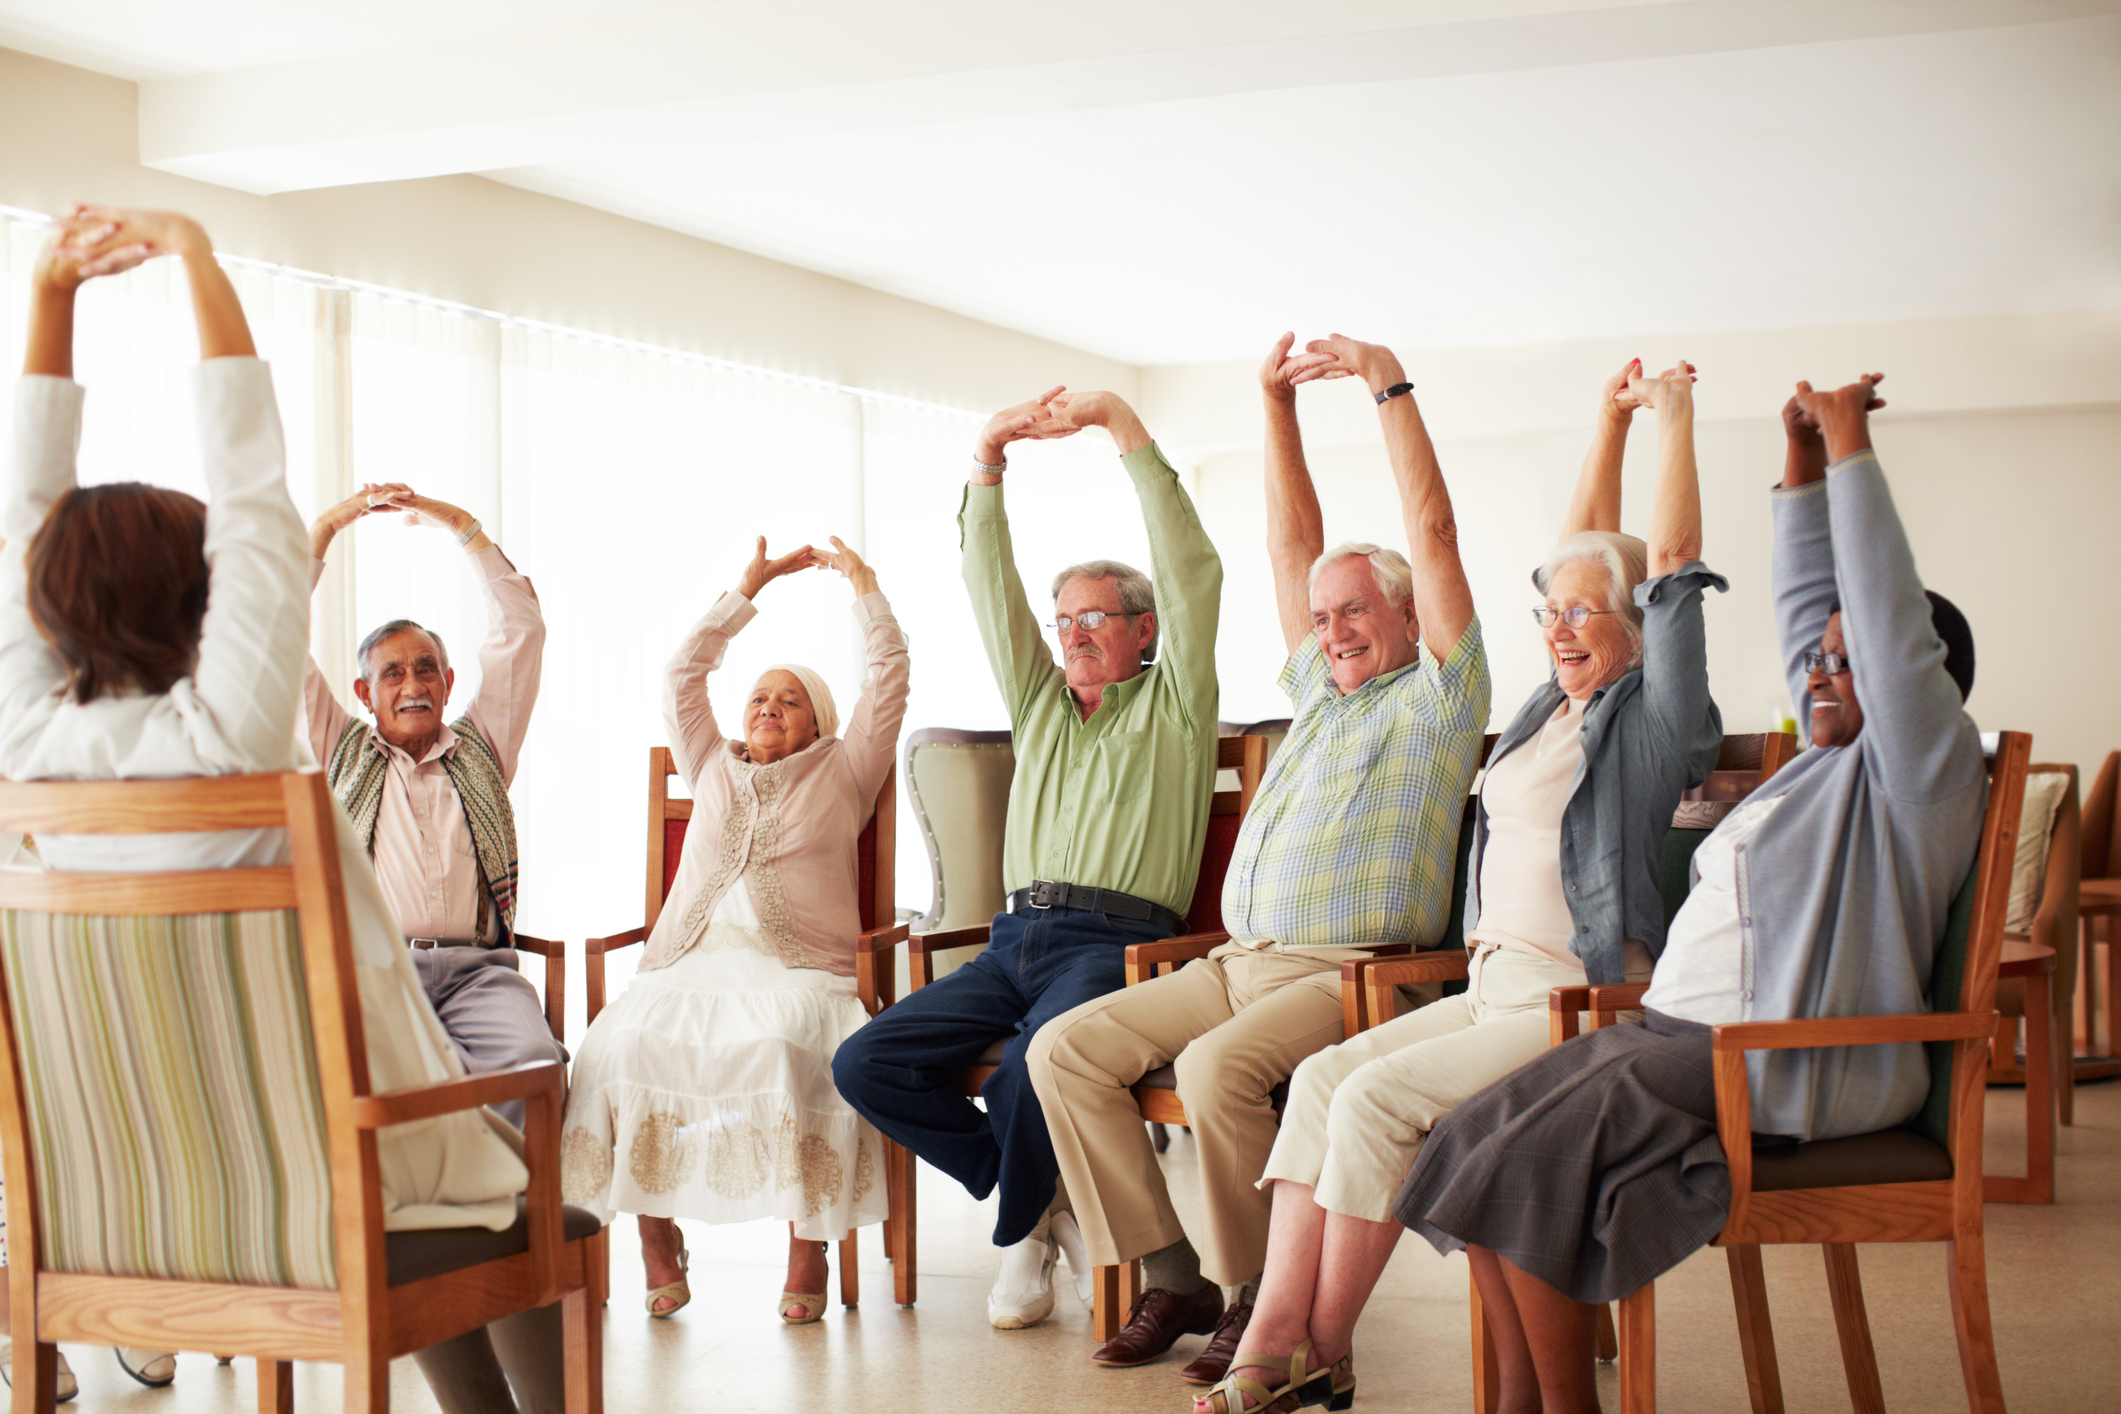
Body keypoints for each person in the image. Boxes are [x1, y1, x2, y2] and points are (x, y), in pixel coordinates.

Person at [0, 207, 539, 1413]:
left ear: (41, 606)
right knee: (515, 1181)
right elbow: (251, 487)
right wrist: (196, 259)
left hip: (112, 1200)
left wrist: (49, 292)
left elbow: (25, 512)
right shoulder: (231, 730)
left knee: (438, 1171)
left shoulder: (22, 744)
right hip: (317, 1185)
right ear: (208, 605)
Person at [1394, 374, 1984, 1414]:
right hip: (1678, 1034)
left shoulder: (1919, 775)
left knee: (1526, 1166)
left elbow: (1882, 618)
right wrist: (1798, 466)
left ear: (1916, 685)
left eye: (1852, 667)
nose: (1822, 674)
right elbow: (1815, 611)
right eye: (1820, 663)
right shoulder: (1813, 767)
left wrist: (1849, 447)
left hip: (1780, 1064)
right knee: (1465, 1139)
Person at [1191, 358, 1724, 1414]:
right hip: (1492, 985)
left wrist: (1674, 417)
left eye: (1586, 616)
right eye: (1551, 614)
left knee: (1379, 1097)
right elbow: (1584, 559)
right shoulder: (1543, 712)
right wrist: (1606, 419)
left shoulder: (1656, 718)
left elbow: (1659, 561)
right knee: (1322, 1079)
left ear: (1640, 626)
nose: (1561, 627)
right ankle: (1277, 1337)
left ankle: (1317, 1347)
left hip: (1577, 996)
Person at [1026, 333, 1489, 1383]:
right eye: (1324, 617)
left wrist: (1385, 387)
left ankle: (1251, 1301)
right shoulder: (1319, 694)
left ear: (1412, 615)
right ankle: (1174, 1271)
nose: (1331, 629)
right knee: (1064, 1050)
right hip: (1240, 961)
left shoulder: (1442, 698)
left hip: (1357, 975)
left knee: (1215, 1070)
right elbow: (1292, 550)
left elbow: (1434, 526)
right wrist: (1273, 405)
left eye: (1356, 611)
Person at [833, 386, 1223, 1330]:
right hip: (1013, 940)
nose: (1074, 633)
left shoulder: (1176, 706)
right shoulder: (1042, 704)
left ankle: (1016, 1241)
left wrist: (1122, 428)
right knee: (864, 1062)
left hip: (1112, 944)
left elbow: (1190, 568)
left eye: (1096, 617)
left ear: (1144, 631)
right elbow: (985, 583)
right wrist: (986, 457)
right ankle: (1040, 1206)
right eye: (1064, 619)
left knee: (1028, 1073)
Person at [559, 533, 908, 1325]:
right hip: (686, 965)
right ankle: (656, 1240)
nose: (767, 709)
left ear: (818, 722)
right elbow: (682, 675)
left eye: (788, 700)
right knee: (614, 1049)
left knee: (782, 1052)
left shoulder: (845, 769)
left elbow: (889, 681)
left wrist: (863, 585)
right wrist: (745, 591)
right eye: (758, 697)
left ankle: (806, 1249)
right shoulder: (710, 762)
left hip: (799, 974)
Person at [304, 480, 563, 1131]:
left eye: (426, 669)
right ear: (364, 692)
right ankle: (421, 1221)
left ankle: (510, 1221)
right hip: (378, 970)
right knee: (380, 1081)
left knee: (535, 1064)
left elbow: (522, 629)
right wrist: (331, 526)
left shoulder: (483, 747)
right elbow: (274, 639)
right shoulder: (340, 748)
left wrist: (458, 523)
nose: (412, 684)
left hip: (480, 971)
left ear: (448, 684)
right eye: (393, 673)